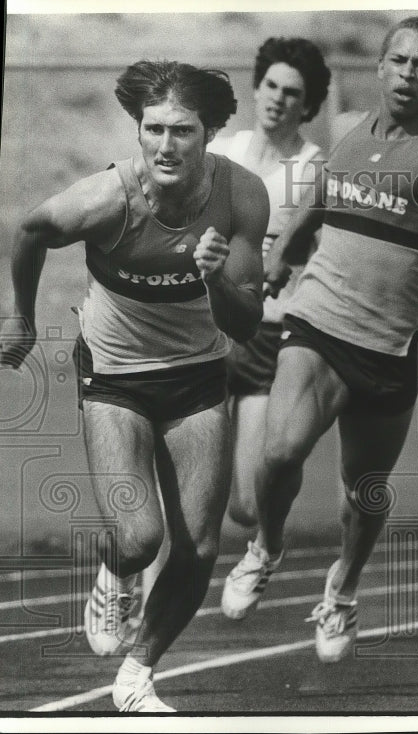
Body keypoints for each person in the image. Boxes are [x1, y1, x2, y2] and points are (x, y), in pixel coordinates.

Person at [0, 60, 268, 712]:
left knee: (201, 546)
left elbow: (247, 320)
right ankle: (117, 572)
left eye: (182, 130)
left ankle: (138, 674)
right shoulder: (108, 199)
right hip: (115, 377)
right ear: (138, 130)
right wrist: (21, 318)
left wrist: (216, 278)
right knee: (141, 536)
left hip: (198, 377)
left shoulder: (241, 197)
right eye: (153, 129)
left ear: (210, 135)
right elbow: (32, 230)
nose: (166, 145)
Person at [219, 16, 418, 663]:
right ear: (380, 67)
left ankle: (342, 587)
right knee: (279, 452)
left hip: (389, 343)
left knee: (361, 495)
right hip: (316, 320)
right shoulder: (343, 132)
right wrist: (280, 258)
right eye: (398, 60)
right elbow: (315, 206)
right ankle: (266, 548)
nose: (407, 73)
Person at [208, 37, 330, 529]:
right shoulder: (219, 152)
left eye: (291, 92)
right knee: (184, 478)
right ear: (256, 89)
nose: (278, 98)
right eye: (271, 85)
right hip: (208, 330)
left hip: (268, 336)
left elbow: (329, 256)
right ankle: (133, 592)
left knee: (247, 506)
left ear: (307, 105)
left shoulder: (315, 168)